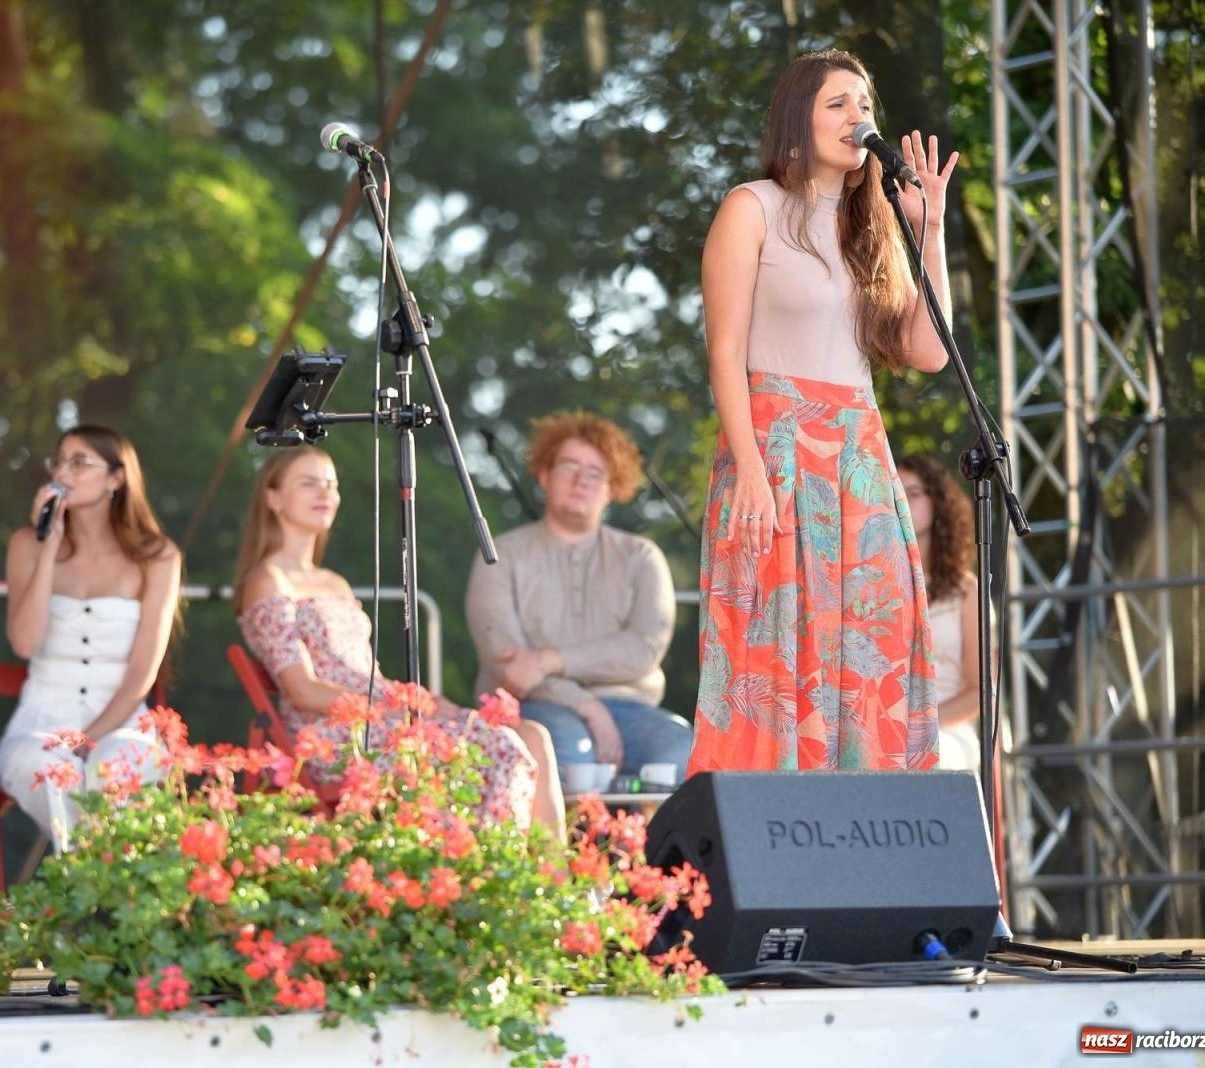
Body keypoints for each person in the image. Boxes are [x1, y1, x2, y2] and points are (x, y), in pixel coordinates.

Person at [690, 49, 957, 773]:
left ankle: (869, 827)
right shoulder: (754, 207)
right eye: (838, 103)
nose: (857, 117)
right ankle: (769, 833)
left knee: (872, 635)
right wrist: (748, 466)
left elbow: (929, 353)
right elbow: (725, 351)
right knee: (776, 641)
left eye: (864, 104)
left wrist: (927, 230)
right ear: (797, 119)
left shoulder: (874, 226)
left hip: (858, 456)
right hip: (773, 445)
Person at [233, 446, 564, 832]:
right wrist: (390, 710)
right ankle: (492, 874)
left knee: (532, 735)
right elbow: (302, 690)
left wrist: (420, 703)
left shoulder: (334, 583)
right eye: (309, 484)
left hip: (381, 713)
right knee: (499, 747)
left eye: (331, 484)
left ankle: (551, 878)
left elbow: (364, 671)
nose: (325, 494)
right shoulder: (267, 580)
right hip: (335, 732)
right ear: (273, 498)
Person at [465, 410, 692, 783]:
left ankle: (645, 843)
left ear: (613, 488)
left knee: (681, 753)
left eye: (595, 473)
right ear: (544, 475)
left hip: (629, 706)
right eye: (569, 466)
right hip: (535, 704)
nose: (581, 481)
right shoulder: (500, 554)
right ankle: (563, 843)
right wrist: (585, 704)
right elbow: (508, 663)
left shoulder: (642, 556)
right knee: (572, 757)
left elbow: (644, 648)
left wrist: (550, 659)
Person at [0, 426, 182, 846]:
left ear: (116, 478)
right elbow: (24, 643)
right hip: (42, 720)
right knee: (44, 770)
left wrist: (90, 738)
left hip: (120, 720)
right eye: (58, 462)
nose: (63, 472)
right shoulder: (27, 545)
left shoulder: (158, 556)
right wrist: (49, 545)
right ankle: (103, 882)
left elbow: (141, 673)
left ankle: (82, 882)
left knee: (114, 772)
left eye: (79, 463)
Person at [898, 453, 985, 771]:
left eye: (914, 493)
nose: (903, 503)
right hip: (885, 731)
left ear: (937, 504)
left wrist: (924, 727)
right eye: (896, 493)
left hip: (946, 730)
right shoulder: (873, 587)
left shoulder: (966, 590)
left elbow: (980, 691)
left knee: (930, 760)